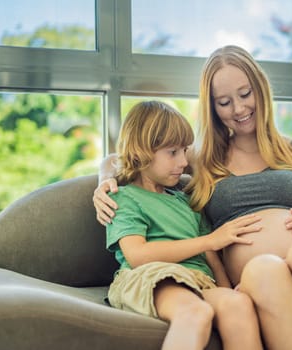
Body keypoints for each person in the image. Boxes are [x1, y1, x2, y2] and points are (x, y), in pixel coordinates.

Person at [94, 46, 292, 350]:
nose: (239, 109)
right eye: (225, 102)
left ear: (261, 89)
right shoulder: (201, 158)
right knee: (261, 270)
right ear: (213, 108)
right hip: (270, 284)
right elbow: (133, 156)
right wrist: (105, 180)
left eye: (245, 94)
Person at [105, 100, 263, 350]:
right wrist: (211, 240)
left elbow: (210, 255)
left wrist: (227, 288)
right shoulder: (124, 198)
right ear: (141, 151)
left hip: (198, 279)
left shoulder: (185, 199)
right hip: (152, 276)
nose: (183, 162)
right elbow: (137, 255)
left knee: (239, 304)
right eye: (173, 152)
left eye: (184, 150)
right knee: (195, 313)